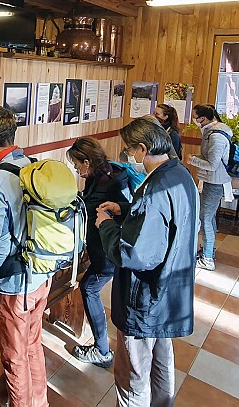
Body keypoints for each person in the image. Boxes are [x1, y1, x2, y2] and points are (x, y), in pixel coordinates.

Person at [96, 117, 198, 407]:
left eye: (129, 149)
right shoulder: (179, 173)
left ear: (142, 149)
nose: (128, 155)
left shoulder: (153, 189)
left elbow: (134, 254)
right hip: (169, 292)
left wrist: (106, 225)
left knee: (134, 374)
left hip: (145, 297)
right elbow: (164, 220)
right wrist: (126, 208)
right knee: (162, 363)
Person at [0, 106, 52, 407]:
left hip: (17, 283)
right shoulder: (32, 165)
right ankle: (39, 403)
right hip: (41, 271)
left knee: (14, 356)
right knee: (32, 345)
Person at [66, 137, 131, 369]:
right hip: (108, 250)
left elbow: (88, 207)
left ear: (86, 162)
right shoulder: (106, 172)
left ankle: (102, 350)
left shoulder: (106, 184)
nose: (76, 170)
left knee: (89, 288)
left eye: (76, 165)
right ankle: (101, 347)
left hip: (107, 255)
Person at [188, 104, 234, 272]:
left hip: (216, 183)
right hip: (211, 181)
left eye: (195, 117)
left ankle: (207, 259)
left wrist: (193, 160)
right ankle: (208, 251)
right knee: (208, 217)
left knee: (205, 218)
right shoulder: (212, 131)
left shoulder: (216, 136)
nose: (193, 120)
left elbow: (212, 165)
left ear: (203, 118)